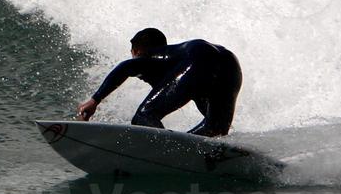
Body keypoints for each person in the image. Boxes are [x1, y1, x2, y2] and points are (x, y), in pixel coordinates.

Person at [76, 28, 243, 137]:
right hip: (231, 65)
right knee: (215, 130)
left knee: (144, 115)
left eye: (133, 53)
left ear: (138, 51)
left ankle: (166, 149)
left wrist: (94, 100)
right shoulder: (179, 61)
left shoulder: (151, 56)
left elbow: (126, 67)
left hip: (200, 58)